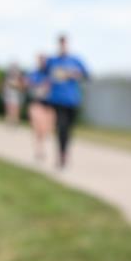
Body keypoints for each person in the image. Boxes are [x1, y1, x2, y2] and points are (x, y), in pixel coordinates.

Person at [45, 35, 89, 169]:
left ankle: (65, 151)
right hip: (57, 99)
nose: (63, 46)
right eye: (61, 44)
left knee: (68, 129)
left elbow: (87, 75)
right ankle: (61, 155)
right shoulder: (52, 61)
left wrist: (75, 74)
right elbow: (46, 75)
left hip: (72, 99)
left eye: (64, 44)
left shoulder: (76, 60)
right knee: (61, 127)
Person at [25, 54, 54, 162]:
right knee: (37, 128)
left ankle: (42, 149)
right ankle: (39, 150)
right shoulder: (33, 74)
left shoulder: (50, 74)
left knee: (46, 130)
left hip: (49, 105)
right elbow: (29, 85)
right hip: (36, 104)